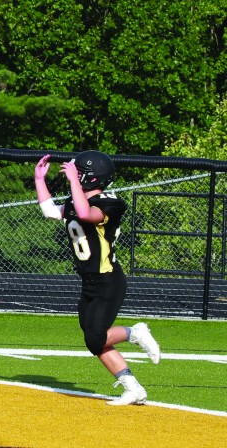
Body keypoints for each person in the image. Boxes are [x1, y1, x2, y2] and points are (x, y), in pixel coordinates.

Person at [34, 151, 161, 406]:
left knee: (96, 337)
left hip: (108, 280)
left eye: (79, 173)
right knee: (94, 341)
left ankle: (134, 332)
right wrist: (40, 180)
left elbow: (85, 213)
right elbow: (50, 212)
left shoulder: (109, 203)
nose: (75, 176)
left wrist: (72, 182)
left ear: (92, 178)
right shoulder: (76, 199)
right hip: (89, 281)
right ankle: (133, 388)